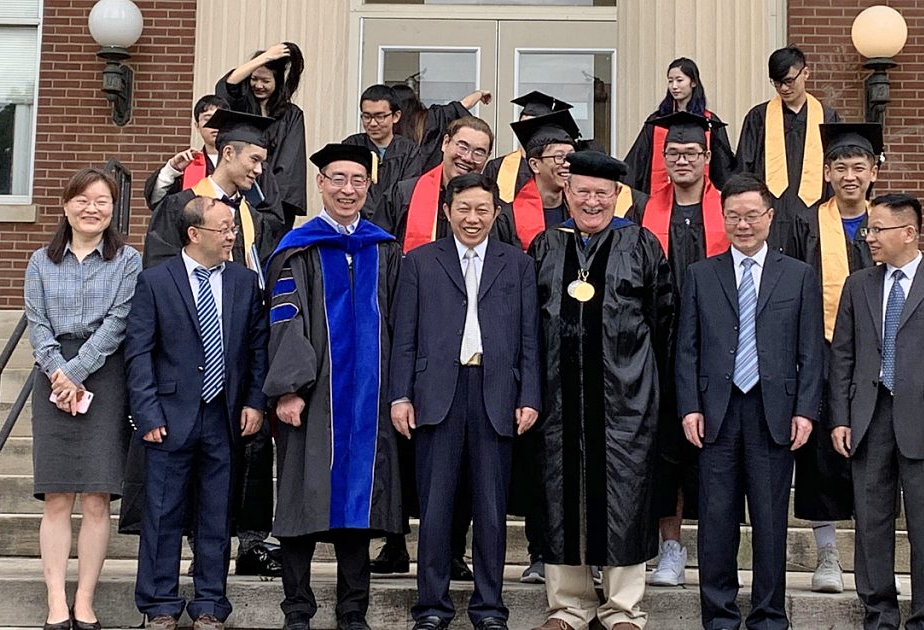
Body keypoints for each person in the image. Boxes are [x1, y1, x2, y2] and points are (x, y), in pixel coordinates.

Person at [528, 151, 676, 630]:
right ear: (567, 192)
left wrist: (653, 388)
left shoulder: (641, 244)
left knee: (625, 497)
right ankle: (569, 606)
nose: (592, 202)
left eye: (602, 193)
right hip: (559, 397)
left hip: (626, 397)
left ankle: (622, 608)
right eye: (583, 192)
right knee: (561, 495)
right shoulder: (546, 246)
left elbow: (663, 321)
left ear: (617, 195)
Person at [262, 144, 406, 630]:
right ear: (320, 183)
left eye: (357, 180)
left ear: (369, 186)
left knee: (358, 507)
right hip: (313, 397)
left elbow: (400, 322)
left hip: (369, 398)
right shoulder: (299, 247)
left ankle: (352, 611)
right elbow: (284, 319)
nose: (348, 189)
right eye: (338, 179)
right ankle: (297, 609)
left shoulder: (383, 248)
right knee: (301, 501)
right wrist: (288, 389)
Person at [390, 173, 540, 630]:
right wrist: (400, 395)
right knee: (436, 509)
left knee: (491, 511)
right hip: (437, 394)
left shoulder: (518, 264)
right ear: (447, 211)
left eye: (482, 210)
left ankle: (490, 608)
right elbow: (404, 337)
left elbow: (529, 337)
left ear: (496, 213)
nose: (472, 218)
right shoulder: (419, 262)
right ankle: (431, 607)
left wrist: (529, 395)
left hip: (496, 393)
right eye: (463, 209)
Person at [676, 173, 823, 630]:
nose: (743, 225)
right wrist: (689, 406)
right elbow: (686, 348)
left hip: (772, 411)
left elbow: (810, 350)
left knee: (770, 520)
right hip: (716, 412)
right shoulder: (701, 274)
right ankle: (719, 615)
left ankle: (768, 615)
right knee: (716, 520)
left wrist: (805, 410)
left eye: (752, 216)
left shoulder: (798, 275)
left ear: (769, 217)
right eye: (734, 216)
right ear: (722, 218)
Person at [829, 193, 924, 630]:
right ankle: (879, 614)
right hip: (869, 417)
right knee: (870, 522)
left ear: (908, 232)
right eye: (868, 229)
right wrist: (840, 416)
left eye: (878, 229)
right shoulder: (858, 284)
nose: (869, 237)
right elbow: (842, 356)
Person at [126, 196, 269, 630]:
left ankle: (210, 603)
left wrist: (254, 402)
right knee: (162, 513)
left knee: (216, 515)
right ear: (194, 233)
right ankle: (159, 605)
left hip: (225, 415)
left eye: (232, 228)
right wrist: (147, 413)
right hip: (169, 417)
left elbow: (257, 349)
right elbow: (139, 353)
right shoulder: (156, 281)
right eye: (224, 229)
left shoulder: (245, 282)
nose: (231, 236)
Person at [24, 167, 141, 630]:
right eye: (83, 200)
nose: (92, 209)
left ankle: (85, 601)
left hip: (104, 376)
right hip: (50, 375)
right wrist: (58, 373)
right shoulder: (40, 261)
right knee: (56, 496)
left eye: (102, 201)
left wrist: (75, 373)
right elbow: (37, 323)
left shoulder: (127, 260)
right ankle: (56, 601)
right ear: (66, 205)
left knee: (96, 497)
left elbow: (118, 322)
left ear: (113, 209)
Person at [624, 111, 731, 588]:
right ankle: (670, 547)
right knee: (666, 451)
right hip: (659, 344)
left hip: (718, 345)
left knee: (712, 449)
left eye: (691, 152)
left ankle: (714, 547)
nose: (682, 160)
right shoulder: (643, 211)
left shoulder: (728, 209)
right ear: (663, 159)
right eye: (673, 153)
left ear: (707, 157)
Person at [794, 122, 883, 594]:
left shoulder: (887, 223)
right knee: (820, 456)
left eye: (859, 167)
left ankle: (870, 556)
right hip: (822, 350)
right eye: (841, 167)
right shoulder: (805, 222)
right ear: (827, 173)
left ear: (873, 172)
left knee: (874, 454)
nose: (850, 176)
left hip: (878, 354)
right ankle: (827, 554)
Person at [144, 109, 282, 270]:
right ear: (228, 153)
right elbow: (159, 271)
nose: (259, 170)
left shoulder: (254, 219)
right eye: (254, 159)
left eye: (261, 163)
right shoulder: (179, 207)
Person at [736, 45, 840, 258]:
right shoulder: (759, 118)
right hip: (770, 219)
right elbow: (745, 170)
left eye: (789, 81)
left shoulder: (827, 118)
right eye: (777, 83)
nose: (783, 88)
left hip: (815, 217)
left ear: (805, 73)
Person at [373, 115, 519, 250]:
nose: (467, 158)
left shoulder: (494, 210)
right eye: (462, 147)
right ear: (445, 143)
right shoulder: (403, 195)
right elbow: (380, 252)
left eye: (479, 152)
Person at [217, 42, 308, 230]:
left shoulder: (291, 115)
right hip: (239, 189)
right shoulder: (242, 106)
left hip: (276, 201)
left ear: (278, 82)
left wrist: (270, 199)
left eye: (265, 81)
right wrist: (264, 58)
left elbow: (289, 165)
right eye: (254, 79)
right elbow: (227, 85)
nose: (258, 85)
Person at [624, 57, 735, 194]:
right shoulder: (657, 121)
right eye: (670, 81)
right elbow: (638, 160)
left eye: (679, 80)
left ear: (693, 82)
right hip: (659, 196)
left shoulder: (709, 122)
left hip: (702, 198)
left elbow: (722, 166)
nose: (674, 86)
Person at [507, 108, 582, 248]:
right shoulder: (507, 219)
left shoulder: (582, 213)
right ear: (535, 165)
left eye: (571, 157)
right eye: (559, 157)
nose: (567, 164)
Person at [482, 91, 573, 203]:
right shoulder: (497, 167)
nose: (527, 130)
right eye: (523, 125)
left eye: (535, 125)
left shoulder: (564, 167)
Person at [343, 84, 418, 217]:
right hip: (357, 222)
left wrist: (384, 220)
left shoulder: (409, 151)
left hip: (395, 223)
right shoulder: (352, 147)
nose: (372, 123)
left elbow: (407, 193)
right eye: (367, 116)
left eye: (380, 116)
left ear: (395, 116)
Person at [144, 95, 229, 211]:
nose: (215, 124)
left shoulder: (243, 164)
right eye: (208, 119)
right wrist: (171, 170)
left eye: (220, 118)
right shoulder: (187, 164)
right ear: (197, 126)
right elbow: (157, 201)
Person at [390, 83, 493, 177]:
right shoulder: (434, 117)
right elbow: (463, 104)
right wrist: (480, 94)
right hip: (430, 181)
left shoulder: (389, 129)